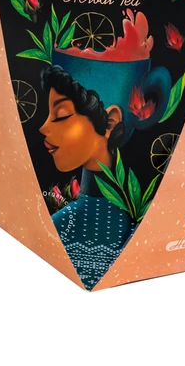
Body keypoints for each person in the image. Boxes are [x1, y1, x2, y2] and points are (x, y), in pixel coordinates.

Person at [40, 65, 133, 290]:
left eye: (61, 116)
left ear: (110, 123)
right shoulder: (60, 224)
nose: (44, 127)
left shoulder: (61, 225)